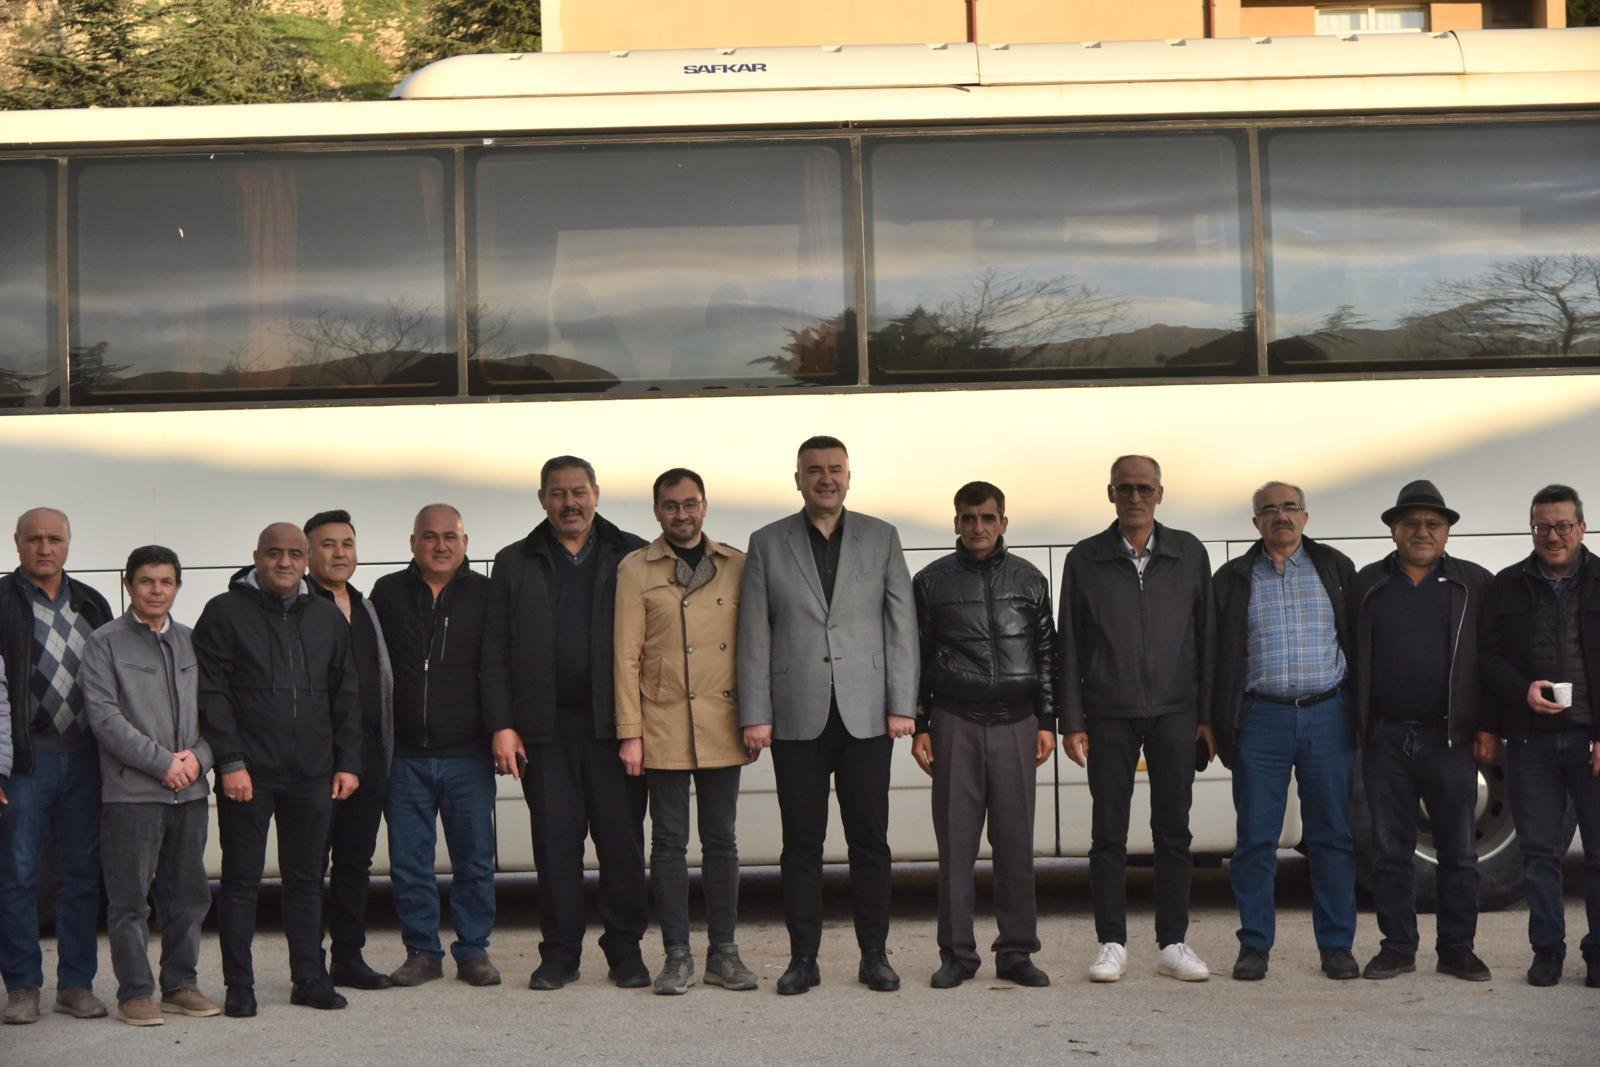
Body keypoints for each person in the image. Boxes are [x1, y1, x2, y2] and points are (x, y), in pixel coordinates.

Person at [738, 435, 918, 996]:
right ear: (798, 478)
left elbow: (902, 626)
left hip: (867, 715)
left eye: (835, 469)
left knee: (871, 842)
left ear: (848, 475)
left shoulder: (882, 537)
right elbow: (754, 634)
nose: (825, 478)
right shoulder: (767, 542)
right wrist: (755, 713)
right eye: (814, 470)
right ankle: (803, 960)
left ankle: (875, 957)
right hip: (796, 716)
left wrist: (902, 704)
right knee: (801, 845)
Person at [483, 457, 651, 990]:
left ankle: (625, 952)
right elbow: (495, 651)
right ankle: (559, 955)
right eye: (558, 493)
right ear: (542, 499)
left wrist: (642, 726)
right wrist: (503, 724)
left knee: (622, 847)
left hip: (616, 729)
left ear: (596, 493)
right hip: (545, 732)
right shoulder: (515, 561)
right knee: (555, 849)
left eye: (579, 491)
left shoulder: (633, 554)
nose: (570, 503)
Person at [195, 522, 362, 1016]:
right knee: (241, 882)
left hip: (313, 772)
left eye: (294, 553)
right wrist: (230, 761)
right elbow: (212, 695)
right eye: (274, 553)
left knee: (307, 881)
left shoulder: (326, 617)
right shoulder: (224, 613)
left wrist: (348, 762)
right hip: (248, 773)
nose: (284, 562)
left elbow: (346, 694)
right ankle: (239, 986)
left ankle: (309, 979)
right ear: (257, 557)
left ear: (307, 560)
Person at [1058, 456, 1214, 984]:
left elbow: (1207, 638)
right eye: (1124, 488)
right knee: (1108, 833)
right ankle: (1111, 944)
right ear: (1110, 494)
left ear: (1160, 494)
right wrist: (1072, 720)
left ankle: (1173, 943)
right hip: (1108, 713)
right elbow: (1069, 643)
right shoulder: (1085, 557)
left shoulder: (1189, 553)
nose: (1135, 497)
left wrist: (1207, 716)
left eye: (1144, 488)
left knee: (1174, 832)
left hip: (1176, 712)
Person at [614, 468, 756, 995]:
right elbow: (626, 656)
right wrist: (630, 732)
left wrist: (755, 717)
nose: (682, 514)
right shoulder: (635, 569)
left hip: (722, 719)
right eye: (671, 505)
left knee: (722, 841)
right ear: (657, 511)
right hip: (663, 721)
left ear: (705, 506)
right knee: (669, 843)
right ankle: (677, 956)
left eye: (690, 503)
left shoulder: (737, 565)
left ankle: (725, 953)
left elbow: (753, 648)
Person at [911, 481, 1057, 990]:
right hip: (956, 720)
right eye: (969, 517)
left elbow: (1046, 655)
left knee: (1016, 844)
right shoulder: (930, 582)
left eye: (988, 517)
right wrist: (921, 725)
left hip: (1017, 722)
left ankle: (1017, 952)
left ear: (1003, 523)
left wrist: (1047, 721)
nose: (978, 527)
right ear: (956, 522)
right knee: (956, 845)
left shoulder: (1030, 580)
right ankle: (957, 954)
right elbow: (917, 658)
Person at [1212, 480, 1357, 981]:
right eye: (1269, 509)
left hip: (1328, 715)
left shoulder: (1335, 567)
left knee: (1332, 836)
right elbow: (1216, 656)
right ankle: (1254, 945)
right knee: (1255, 839)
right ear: (1255, 521)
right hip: (1261, 719)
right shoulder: (1233, 577)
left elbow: (1357, 640)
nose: (1281, 516)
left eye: (1290, 507)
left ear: (1305, 516)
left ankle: (1337, 946)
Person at [1350, 481, 1494, 983]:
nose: (1422, 532)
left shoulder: (1473, 583)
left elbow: (1492, 660)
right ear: (1393, 530)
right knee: (1389, 853)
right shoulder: (1368, 584)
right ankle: (1397, 947)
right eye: (1411, 523)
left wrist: (1488, 726)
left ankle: (1457, 949)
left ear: (1447, 531)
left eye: (1433, 524)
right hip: (1385, 739)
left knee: (1459, 854)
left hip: (1449, 739)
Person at [81, 545, 221, 1026]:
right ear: (129, 585)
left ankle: (180, 985)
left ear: (178, 586)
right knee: (129, 901)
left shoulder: (192, 642)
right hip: (132, 796)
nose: (156, 591)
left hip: (191, 793)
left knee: (189, 897)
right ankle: (136, 992)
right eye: (146, 581)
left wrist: (199, 760)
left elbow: (216, 711)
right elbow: (105, 718)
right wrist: (163, 764)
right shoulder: (104, 643)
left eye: (165, 582)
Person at [371, 504, 500, 989]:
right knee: (410, 864)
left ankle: (474, 951)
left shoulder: (486, 594)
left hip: (468, 754)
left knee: (474, 860)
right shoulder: (387, 592)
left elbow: (499, 666)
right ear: (413, 543)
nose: (440, 545)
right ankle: (422, 952)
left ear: (465, 543)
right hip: (404, 756)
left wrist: (501, 728)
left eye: (450, 536)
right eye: (429, 536)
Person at [1483, 484, 1600, 989]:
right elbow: (1488, 658)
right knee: (1539, 854)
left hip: (1591, 743)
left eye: (1563, 526)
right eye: (1542, 527)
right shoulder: (1507, 586)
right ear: (1532, 529)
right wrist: (1522, 690)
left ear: (1582, 528)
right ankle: (1547, 952)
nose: (1553, 536)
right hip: (1530, 742)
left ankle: (1598, 955)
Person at [0, 507, 114, 1025]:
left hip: (87, 758)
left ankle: (76, 985)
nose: (44, 548)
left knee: (81, 876)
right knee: (18, 876)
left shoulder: (92, 602)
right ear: (16, 542)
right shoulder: (2, 601)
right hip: (26, 761)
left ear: (69, 543)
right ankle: (22, 987)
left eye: (54, 539)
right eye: (34, 539)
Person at [304, 510, 395, 991]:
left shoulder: (365, 605)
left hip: (369, 757)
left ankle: (349, 958)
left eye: (347, 544)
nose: (339, 553)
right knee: (310, 866)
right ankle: (309, 965)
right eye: (327, 544)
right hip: (319, 761)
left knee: (356, 863)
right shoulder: (300, 606)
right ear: (307, 554)